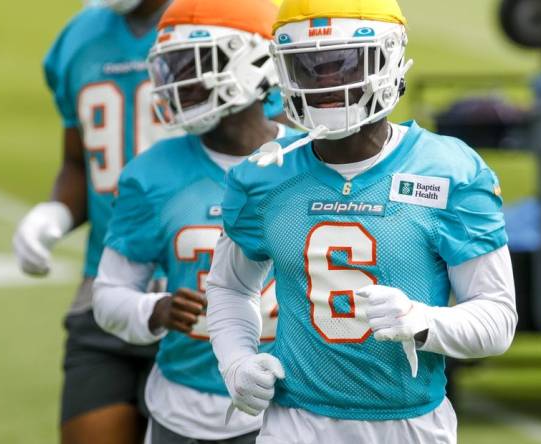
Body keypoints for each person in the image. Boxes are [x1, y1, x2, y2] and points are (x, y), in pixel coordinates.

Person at [205, 1, 518, 442]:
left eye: (343, 62)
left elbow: (498, 319)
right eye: (308, 67)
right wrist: (236, 360)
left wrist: (422, 321)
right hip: (296, 424)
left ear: (388, 58)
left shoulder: (449, 170)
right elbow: (229, 286)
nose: (326, 81)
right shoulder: (263, 175)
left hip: (410, 425)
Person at [91, 0, 294, 442]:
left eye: (192, 66)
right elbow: (108, 294)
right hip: (181, 407)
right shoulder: (152, 174)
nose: (177, 84)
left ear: (252, 60)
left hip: (291, 407)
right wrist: (155, 309)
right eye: (170, 69)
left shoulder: (312, 160)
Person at [12, 1, 173, 443]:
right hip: (105, 287)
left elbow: (266, 160)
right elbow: (79, 163)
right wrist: (57, 210)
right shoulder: (78, 37)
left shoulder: (222, 22)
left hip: (199, 292)